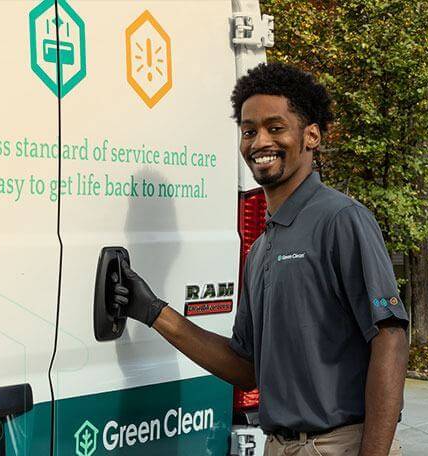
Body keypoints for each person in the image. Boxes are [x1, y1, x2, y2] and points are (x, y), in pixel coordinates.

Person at [115, 62, 409, 456]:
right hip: (277, 446)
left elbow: (390, 338)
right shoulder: (261, 249)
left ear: (311, 136)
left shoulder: (340, 219)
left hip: (336, 445)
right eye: (249, 131)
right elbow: (245, 367)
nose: (259, 142)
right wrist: (155, 312)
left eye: (275, 127)